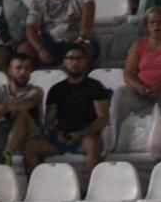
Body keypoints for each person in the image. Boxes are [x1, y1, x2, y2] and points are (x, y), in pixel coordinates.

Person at [109, 7, 161, 151]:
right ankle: (114, 143)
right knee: (120, 93)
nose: (156, 25)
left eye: (160, 22)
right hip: (143, 93)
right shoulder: (139, 45)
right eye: (152, 22)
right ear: (147, 26)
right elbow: (128, 73)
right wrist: (139, 87)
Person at [23, 43, 109, 175]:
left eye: (78, 58)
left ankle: (92, 188)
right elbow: (49, 121)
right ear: (64, 62)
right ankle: (35, 186)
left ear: (85, 61)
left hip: (85, 136)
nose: (74, 62)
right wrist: (58, 133)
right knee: (31, 147)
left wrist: (80, 133)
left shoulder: (95, 87)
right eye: (70, 59)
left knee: (93, 144)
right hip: (60, 138)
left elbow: (103, 118)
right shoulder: (56, 89)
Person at [19, 0, 95, 65]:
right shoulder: (39, 1)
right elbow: (30, 28)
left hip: (75, 41)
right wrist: (40, 49)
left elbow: (87, 22)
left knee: (85, 47)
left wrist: (81, 39)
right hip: (49, 43)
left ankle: (80, 76)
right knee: (25, 49)